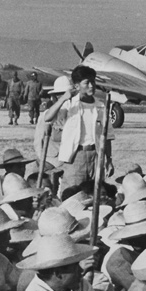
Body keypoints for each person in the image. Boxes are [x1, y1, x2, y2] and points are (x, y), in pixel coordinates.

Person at [41, 65, 109, 201]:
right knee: (72, 197)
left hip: (96, 156)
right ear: (77, 86)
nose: (91, 86)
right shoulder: (70, 103)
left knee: (96, 197)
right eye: (87, 83)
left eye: (93, 82)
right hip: (76, 157)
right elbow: (48, 118)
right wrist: (63, 98)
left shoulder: (101, 106)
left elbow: (107, 136)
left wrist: (109, 159)